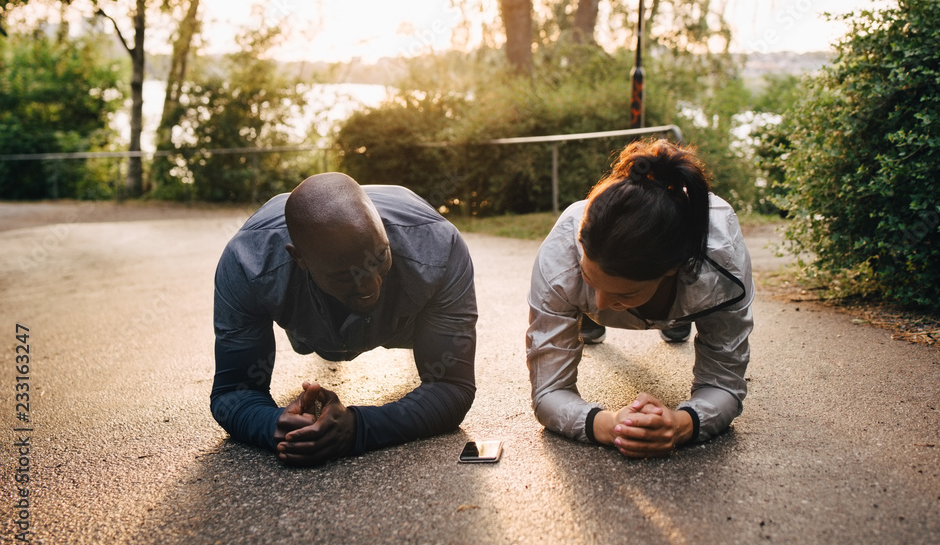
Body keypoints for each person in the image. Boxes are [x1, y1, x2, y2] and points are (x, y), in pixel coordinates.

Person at [211, 173, 477, 466]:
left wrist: (359, 428)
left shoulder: (438, 246)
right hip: (310, 329)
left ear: (384, 231)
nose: (369, 287)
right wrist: (278, 426)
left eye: (379, 258)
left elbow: (452, 386)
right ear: (299, 259)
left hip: (406, 324)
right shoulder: (247, 262)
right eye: (343, 277)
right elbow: (232, 394)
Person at [526, 139, 753, 458]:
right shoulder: (560, 259)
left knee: (678, 311)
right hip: (586, 296)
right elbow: (549, 392)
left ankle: (675, 321)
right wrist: (608, 425)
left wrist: (680, 424)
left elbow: (725, 385)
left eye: (624, 293)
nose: (602, 303)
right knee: (590, 307)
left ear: (673, 269)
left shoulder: (719, 267)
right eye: (591, 279)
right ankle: (586, 322)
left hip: (685, 295)